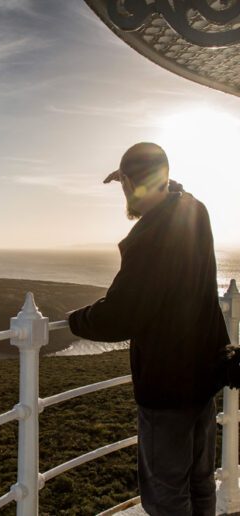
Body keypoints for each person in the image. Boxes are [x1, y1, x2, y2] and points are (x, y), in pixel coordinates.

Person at [66, 142, 230, 516]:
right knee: (200, 480)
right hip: (203, 375)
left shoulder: (149, 239)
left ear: (127, 182)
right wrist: (146, 179)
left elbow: (121, 314)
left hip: (167, 384)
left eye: (124, 184)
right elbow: (178, 193)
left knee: (166, 493)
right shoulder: (195, 211)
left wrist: (76, 320)